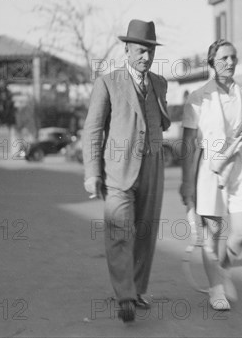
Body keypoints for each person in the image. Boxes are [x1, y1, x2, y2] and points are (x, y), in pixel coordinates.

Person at [82, 19, 170, 322]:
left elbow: (159, 119)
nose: (146, 57)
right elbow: (93, 130)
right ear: (127, 49)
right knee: (120, 231)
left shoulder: (160, 84)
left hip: (152, 168)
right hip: (118, 171)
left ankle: (137, 289)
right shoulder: (107, 82)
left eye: (151, 52)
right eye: (141, 51)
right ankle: (125, 296)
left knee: (145, 232)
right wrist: (92, 172)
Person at [180, 39, 242, 311]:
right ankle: (216, 289)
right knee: (212, 234)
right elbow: (189, 144)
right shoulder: (197, 98)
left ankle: (224, 269)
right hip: (210, 169)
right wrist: (187, 183)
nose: (230, 62)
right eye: (224, 57)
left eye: (233, 57)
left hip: (240, 167)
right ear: (212, 62)